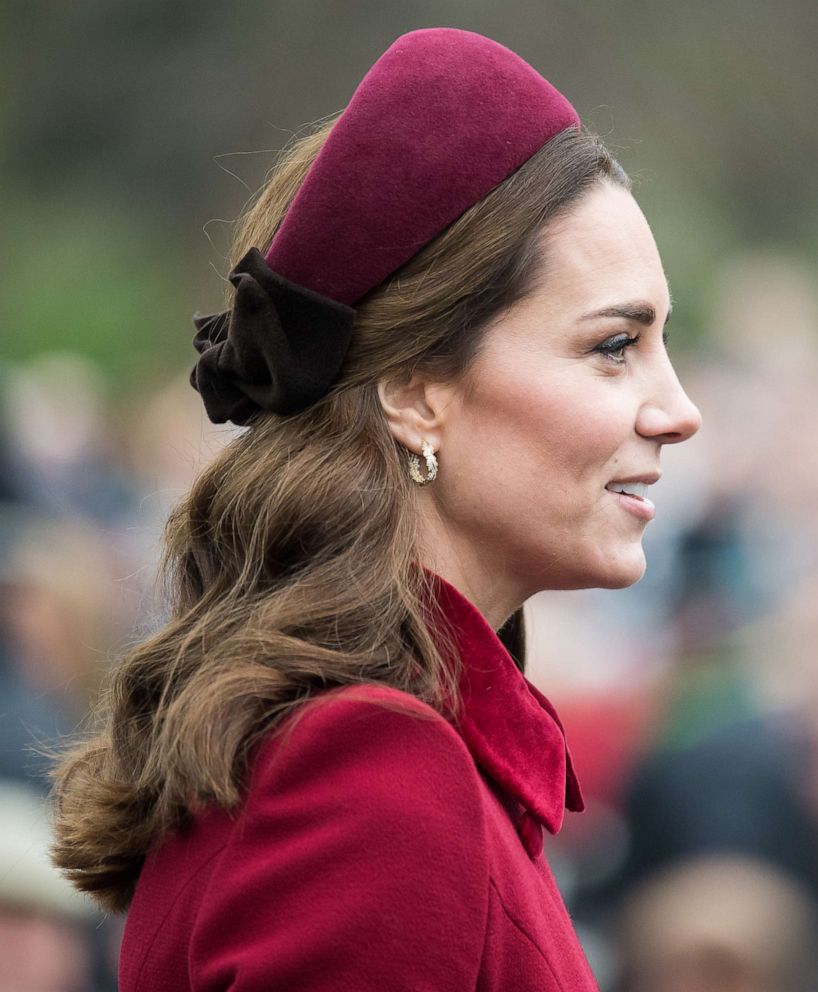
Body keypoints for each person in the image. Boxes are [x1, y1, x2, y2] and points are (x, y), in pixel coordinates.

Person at [49, 27, 701, 991]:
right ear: (414, 389)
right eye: (613, 346)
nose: (678, 411)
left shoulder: (373, 748)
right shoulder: (376, 774)